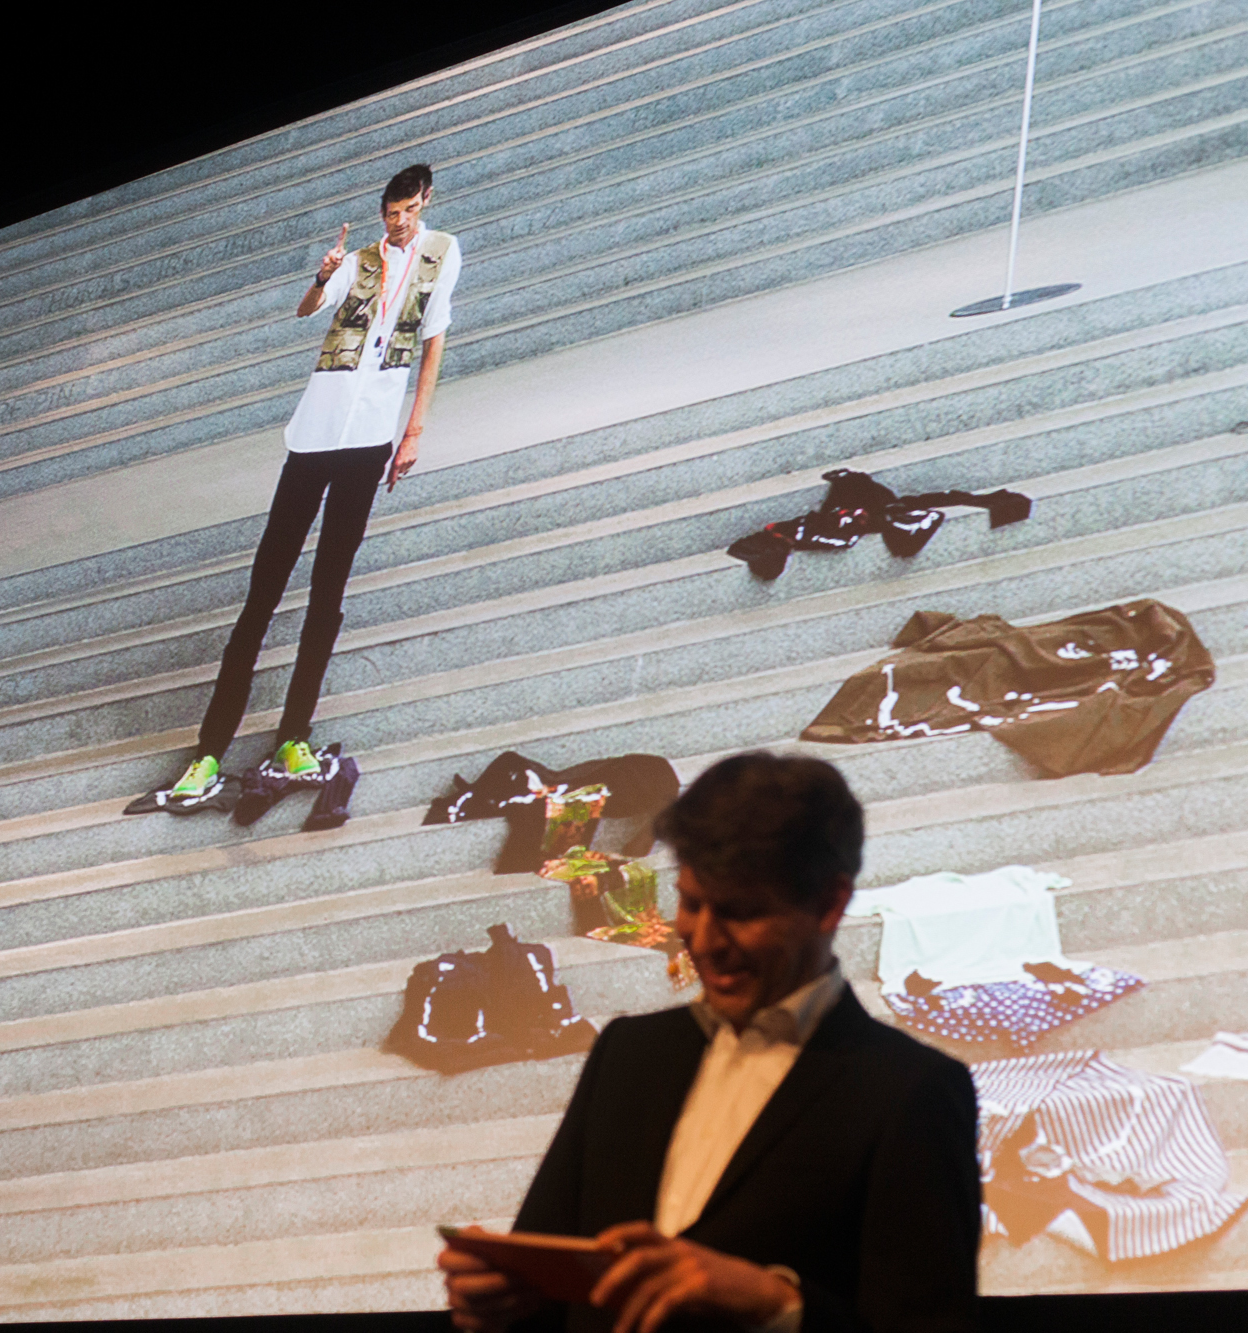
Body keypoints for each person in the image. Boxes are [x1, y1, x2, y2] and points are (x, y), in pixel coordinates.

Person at [439, 753, 981, 1333]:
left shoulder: (912, 1092)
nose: (703, 940)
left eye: (740, 913)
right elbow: (543, 1288)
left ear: (830, 904)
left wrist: (778, 1307)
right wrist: (494, 1302)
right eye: (691, 903)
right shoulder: (628, 1053)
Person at [163, 163, 462, 801]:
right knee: (263, 594)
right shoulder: (357, 260)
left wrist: (413, 432)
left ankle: (293, 736)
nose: (399, 221)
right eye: (391, 213)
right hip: (313, 438)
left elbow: (433, 342)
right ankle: (210, 750)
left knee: (328, 595)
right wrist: (323, 277)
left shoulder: (444, 253)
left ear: (425, 202)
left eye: (408, 210)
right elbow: (308, 310)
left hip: (369, 442)